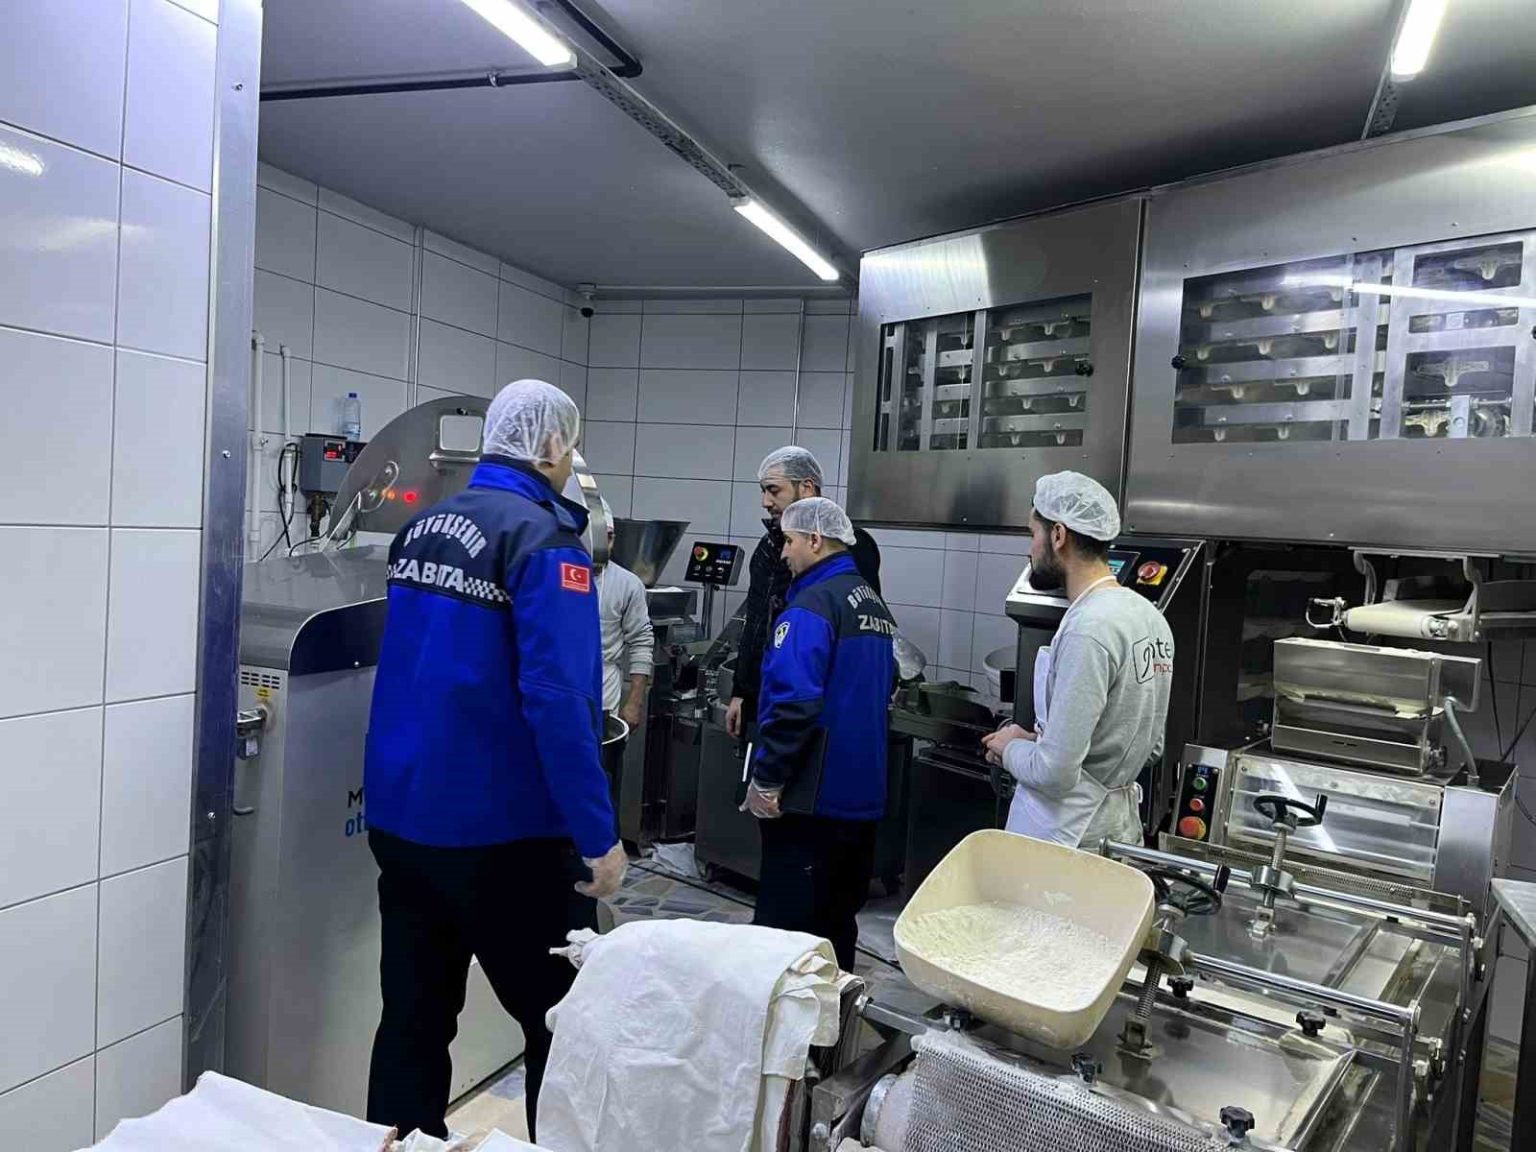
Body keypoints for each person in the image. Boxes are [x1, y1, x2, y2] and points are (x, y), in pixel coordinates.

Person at [363, 379, 628, 1142]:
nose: (571, 462)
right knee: (563, 1022)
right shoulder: (544, 542)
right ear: (548, 446)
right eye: (570, 448)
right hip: (503, 837)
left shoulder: (423, 528)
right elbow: (559, 701)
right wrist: (598, 838)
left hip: (403, 823)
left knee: (413, 1019)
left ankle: (399, 1141)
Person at [980, 471, 1174, 850]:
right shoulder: (1149, 617)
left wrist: (1009, 747)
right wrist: (1039, 741)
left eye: (1032, 534)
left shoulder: (1088, 627)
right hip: (1118, 831)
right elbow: (1149, 747)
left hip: (1068, 838)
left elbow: (1055, 773)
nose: (1030, 549)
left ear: (1058, 535)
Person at [743, 497, 897, 971]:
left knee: (785, 935)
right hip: (862, 796)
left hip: (812, 798)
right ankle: (834, 1015)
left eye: (789, 541)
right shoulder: (870, 602)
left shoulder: (812, 605)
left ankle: (789, 1021)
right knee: (836, 927)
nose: (783, 552)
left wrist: (767, 779)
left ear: (814, 539)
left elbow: (794, 704)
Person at [726, 446, 882, 740]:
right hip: (770, 699)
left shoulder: (849, 547)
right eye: (763, 491)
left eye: (774, 490)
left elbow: (864, 627)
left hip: (818, 707)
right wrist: (742, 691)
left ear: (807, 487)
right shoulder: (767, 549)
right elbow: (756, 624)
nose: (765, 502)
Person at [596, 497, 653, 732]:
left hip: (604, 690)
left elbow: (641, 642)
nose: (603, 545)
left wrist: (635, 702)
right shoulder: (556, 576)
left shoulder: (628, 584)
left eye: (608, 537)